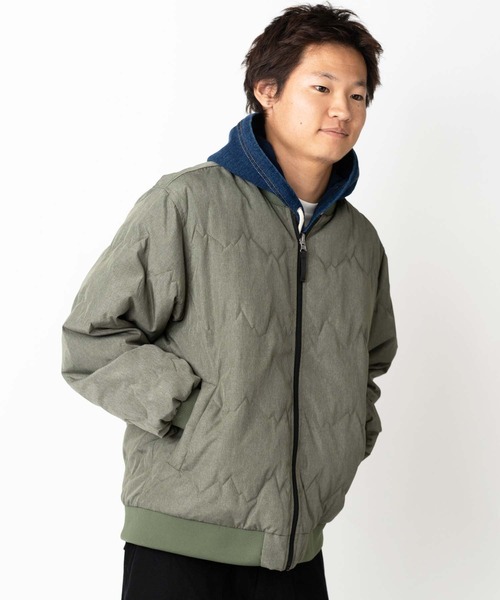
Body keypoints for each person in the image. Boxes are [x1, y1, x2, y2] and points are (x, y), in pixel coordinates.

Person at [61, 3, 398, 599]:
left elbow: (368, 363)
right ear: (267, 91)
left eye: (358, 95)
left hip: (297, 550)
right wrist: (199, 412)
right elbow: (93, 337)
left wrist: (347, 430)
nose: (342, 110)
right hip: (179, 544)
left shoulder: (359, 241)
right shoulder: (186, 203)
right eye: (322, 88)